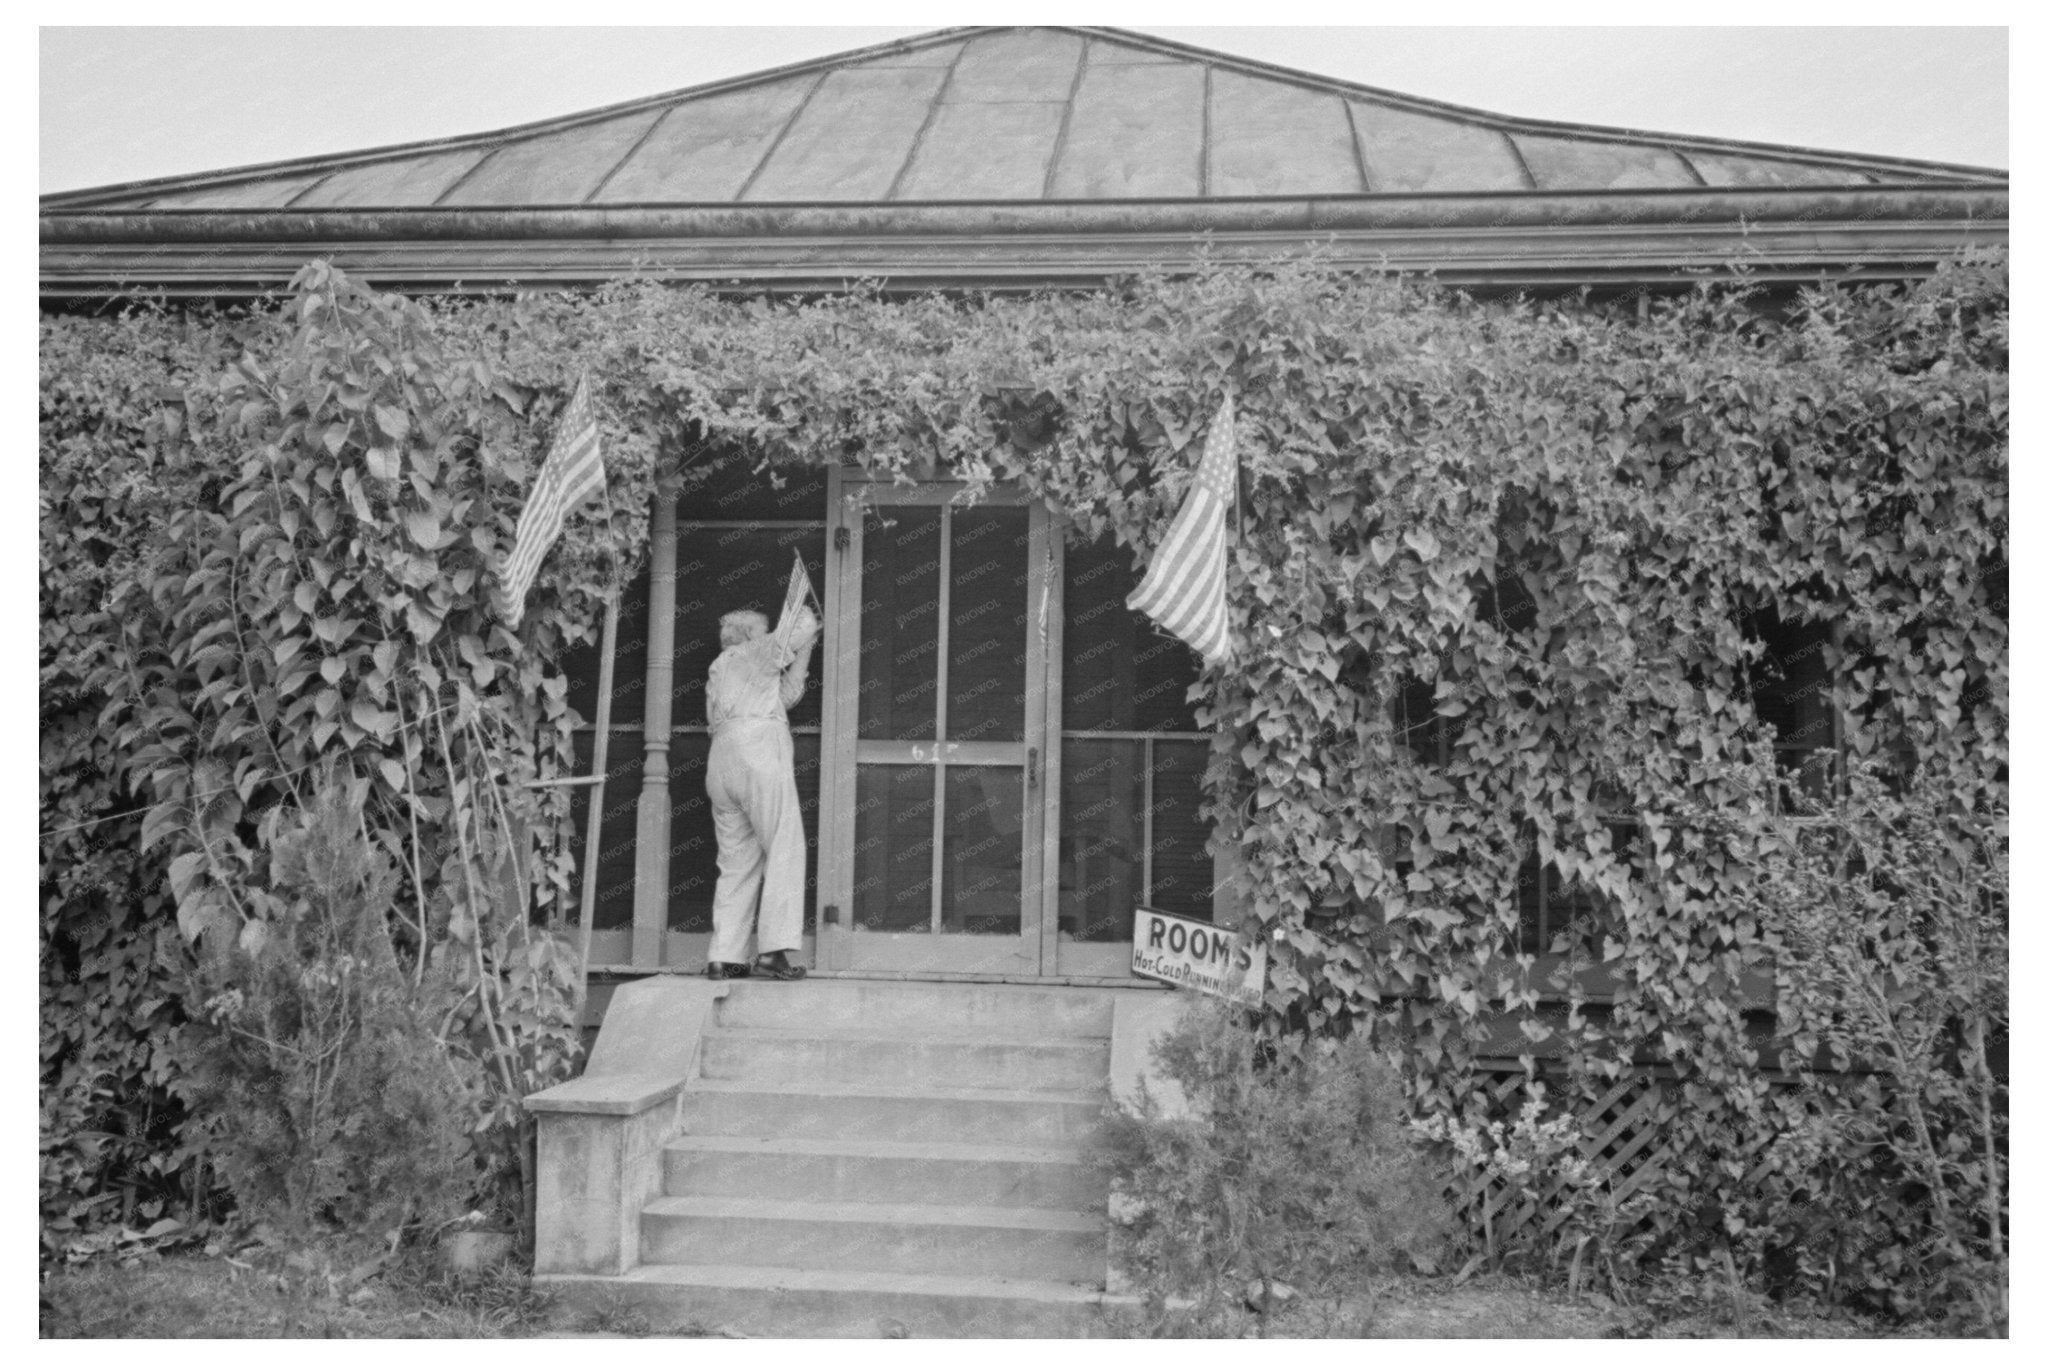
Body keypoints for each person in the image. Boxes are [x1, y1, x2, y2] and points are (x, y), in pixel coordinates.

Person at [703, 604, 819, 981]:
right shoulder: (752, 652)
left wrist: (806, 650)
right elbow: (794, 631)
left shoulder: (723, 669)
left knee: (737, 859)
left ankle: (725, 956)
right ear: (753, 635)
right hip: (757, 752)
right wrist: (807, 614)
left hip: (722, 761)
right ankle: (773, 951)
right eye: (764, 631)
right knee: (785, 845)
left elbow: (784, 696)